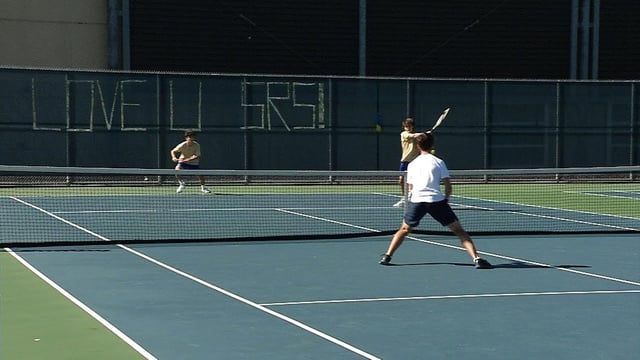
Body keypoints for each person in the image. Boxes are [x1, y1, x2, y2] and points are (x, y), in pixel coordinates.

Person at [379, 132, 492, 269]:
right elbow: (448, 185)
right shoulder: (439, 162)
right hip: (437, 201)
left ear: (417, 146)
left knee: (404, 229)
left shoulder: (412, 164)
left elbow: (411, 187)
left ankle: (387, 256)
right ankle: (477, 259)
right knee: (458, 230)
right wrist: (446, 200)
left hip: (417, 201)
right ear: (432, 145)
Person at [393, 118, 422, 207]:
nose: (407, 128)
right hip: (405, 161)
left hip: (414, 162)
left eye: (409, 126)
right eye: (406, 126)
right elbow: (412, 136)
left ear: (412, 127)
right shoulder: (404, 134)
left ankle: (410, 197)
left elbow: (422, 140)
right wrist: (422, 134)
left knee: (411, 181)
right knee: (401, 180)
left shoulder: (418, 137)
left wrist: (425, 136)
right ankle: (404, 197)